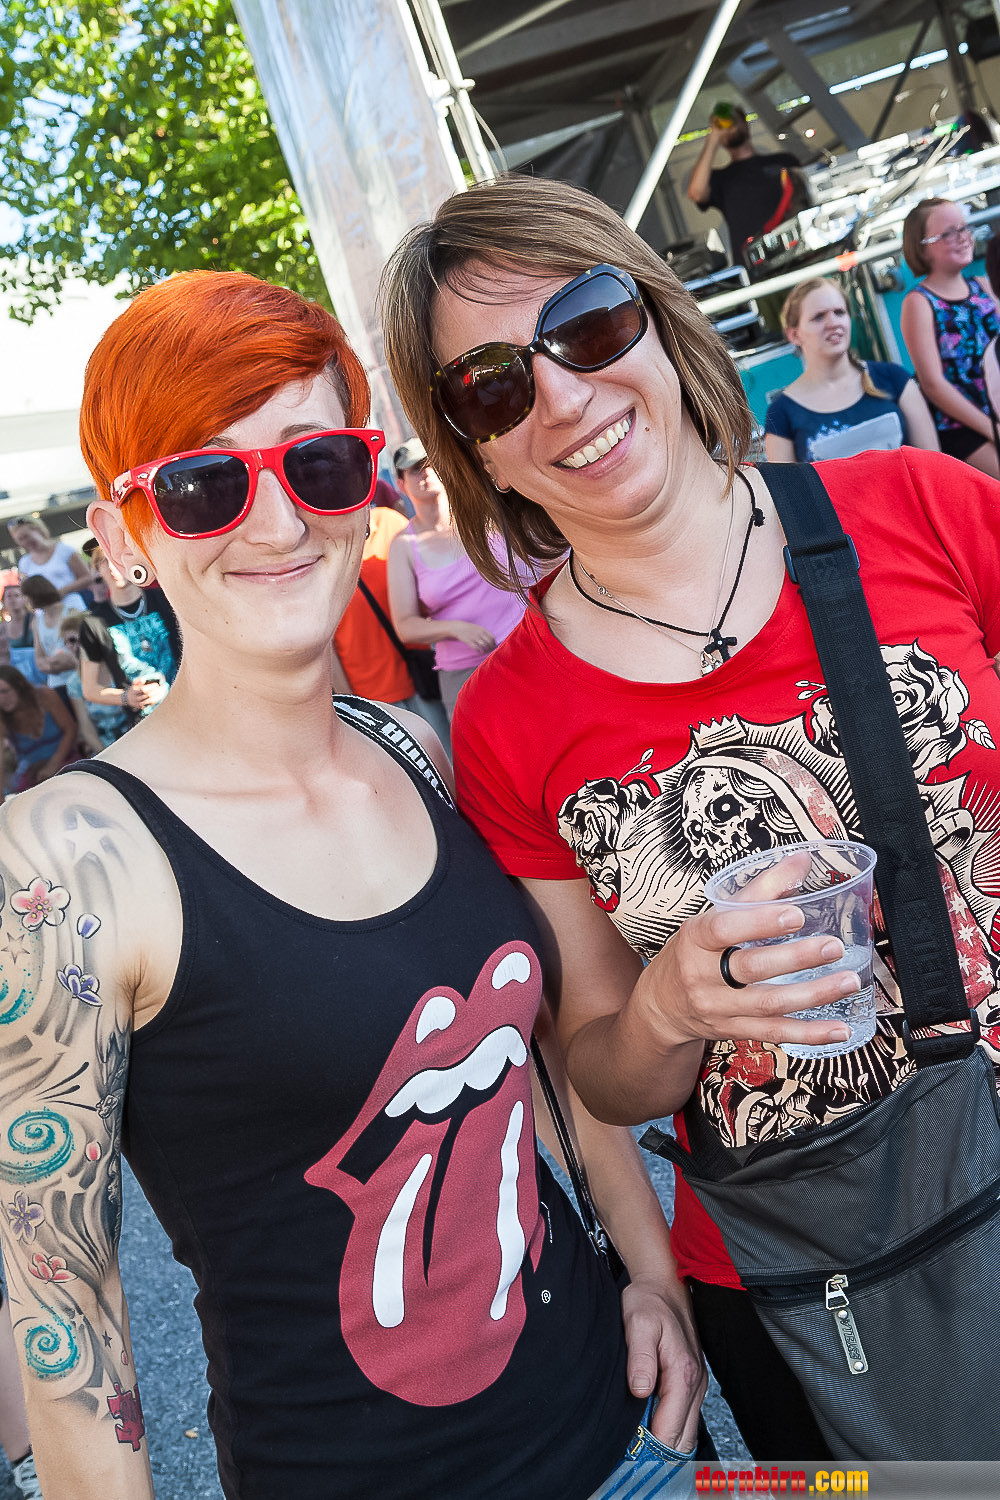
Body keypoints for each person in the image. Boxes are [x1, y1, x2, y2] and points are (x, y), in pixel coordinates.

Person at [0, 268, 705, 1500]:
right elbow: (68, 1316)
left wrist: (652, 1275)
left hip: (626, 1436)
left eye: (316, 464)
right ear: (121, 536)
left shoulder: (414, 746)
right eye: (205, 485)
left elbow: (543, 1042)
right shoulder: (66, 857)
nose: (279, 524)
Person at [379, 173, 1000, 1461]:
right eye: (493, 386)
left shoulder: (922, 507)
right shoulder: (506, 721)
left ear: (659, 318)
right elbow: (600, 1071)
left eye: (588, 324)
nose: (563, 396)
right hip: (814, 1281)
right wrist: (670, 1007)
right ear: (470, 446)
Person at [387, 439, 529, 721]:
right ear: (401, 484)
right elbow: (406, 626)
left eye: (430, 464)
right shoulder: (403, 545)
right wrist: (456, 629)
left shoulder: (485, 511)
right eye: (414, 469)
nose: (425, 472)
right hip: (467, 672)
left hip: (527, 647)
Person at [764, 277, 939, 461]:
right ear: (794, 335)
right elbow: (783, 480)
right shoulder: (781, 412)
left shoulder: (894, 378)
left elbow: (934, 465)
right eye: (819, 317)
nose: (833, 323)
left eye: (839, 312)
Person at [331, 499, 449, 743]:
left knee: (449, 758)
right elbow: (325, 645)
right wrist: (348, 704)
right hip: (373, 698)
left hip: (424, 675)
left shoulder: (390, 523)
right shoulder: (321, 552)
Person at [900, 197, 1000, 477]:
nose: (962, 237)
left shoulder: (983, 286)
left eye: (964, 228)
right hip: (962, 426)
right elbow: (933, 384)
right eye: (948, 233)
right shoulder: (919, 302)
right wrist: (992, 428)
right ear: (922, 248)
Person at [686, 105, 806, 268]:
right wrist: (713, 137)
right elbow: (696, 193)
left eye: (734, 119)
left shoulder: (784, 161)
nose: (730, 126)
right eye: (722, 124)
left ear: (745, 123)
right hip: (753, 266)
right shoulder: (721, 178)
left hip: (796, 253)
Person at [77, 548, 181, 724]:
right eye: (103, 561)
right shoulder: (93, 623)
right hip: (147, 721)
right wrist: (126, 697)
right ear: (97, 570)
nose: (112, 567)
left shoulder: (166, 598)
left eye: (116, 558)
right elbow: (90, 689)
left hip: (189, 704)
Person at [0, 666, 77, 794]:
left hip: (66, 761)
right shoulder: (2, 717)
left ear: (19, 686)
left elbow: (70, 730)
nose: (1, 699)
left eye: (5, 691)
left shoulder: (45, 695)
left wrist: (53, 764)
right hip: (33, 775)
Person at [7, 519, 94, 610]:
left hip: (72, 607)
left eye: (27, 536)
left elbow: (87, 577)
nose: (25, 542)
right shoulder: (24, 562)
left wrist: (62, 591)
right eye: (20, 539)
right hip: (45, 612)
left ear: (38, 530)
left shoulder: (64, 550)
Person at [19, 579, 77, 698]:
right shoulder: (37, 622)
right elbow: (39, 659)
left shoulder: (71, 613)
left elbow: (84, 652)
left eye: (25, 595)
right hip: (56, 685)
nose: (24, 600)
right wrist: (53, 665)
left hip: (78, 681)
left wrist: (59, 663)